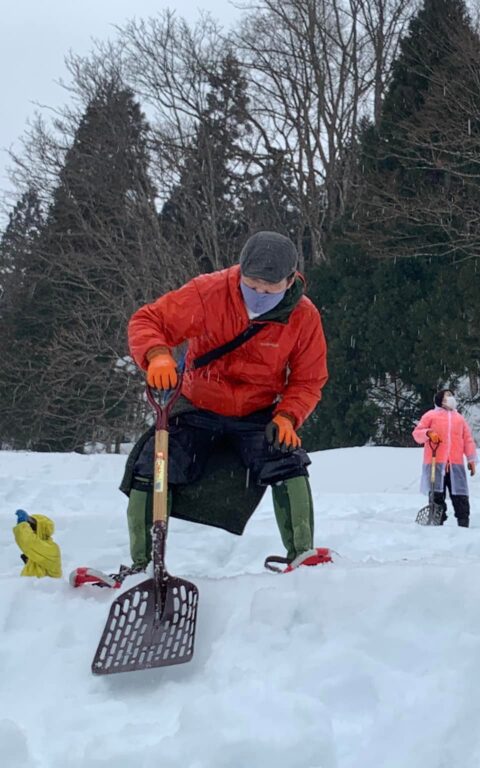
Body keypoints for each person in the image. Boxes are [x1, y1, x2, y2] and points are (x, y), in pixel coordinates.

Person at [120, 231, 329, 574]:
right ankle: (143, 563)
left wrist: (289, 417)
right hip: (197, 404)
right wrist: (157, 355)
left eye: (269, 289)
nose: (258, 295)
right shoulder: (210, 291)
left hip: (257, 413)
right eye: (251, 285)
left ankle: (302, 555)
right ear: (240, 273)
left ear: (290, 281)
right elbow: (148, 320)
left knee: (288, 461)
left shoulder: (303, 317)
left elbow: (309, 378)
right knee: (152, 464)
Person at [412, 389, 479, 527]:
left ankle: (463, 522)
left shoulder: (459, 418)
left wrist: (471, 459)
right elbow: (417, 433)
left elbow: (468, 439)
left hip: (455, 464)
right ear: (440, 400)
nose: (451, 398)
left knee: (460, 495)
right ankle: (437, 521)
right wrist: (428, 433)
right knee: (437, 495)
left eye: (451, 395)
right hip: (436, 462)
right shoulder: (431, 415)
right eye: (447, 396)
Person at [13, 509, 62, 578]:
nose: (29, 529)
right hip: (34, 587)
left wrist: (22, 525)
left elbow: (27, 541)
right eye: (29, 525)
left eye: (32, 526)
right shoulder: (38, 547)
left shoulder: (52, 548)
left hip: (46, 588)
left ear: (42, 530)